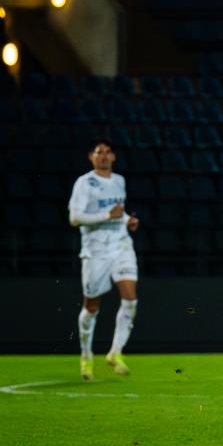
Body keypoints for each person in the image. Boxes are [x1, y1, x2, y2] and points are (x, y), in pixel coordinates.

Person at [69, 139, 139, 381]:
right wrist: (107, 215)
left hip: (121, 245)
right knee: (91, 307)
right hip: (96, 251)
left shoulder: (119, 181)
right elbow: (75, 217)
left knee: (130, 300)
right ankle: (86, 356)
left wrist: (127, 220)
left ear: (114, 156)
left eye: (108, 152)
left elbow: (118, 212)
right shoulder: (84, 183)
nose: (104, 156)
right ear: (91, 156)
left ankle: (115, 353)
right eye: (99, 152)